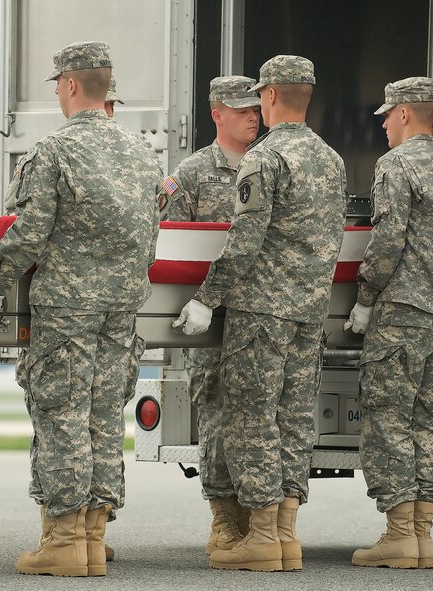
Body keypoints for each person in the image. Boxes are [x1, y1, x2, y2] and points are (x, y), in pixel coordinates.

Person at [0, 41, 161, 578]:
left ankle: (62, 540)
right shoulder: (143, 157)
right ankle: (94, 539)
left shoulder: (55, 151)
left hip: (68, 311)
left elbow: (29, 232)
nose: (56, 92)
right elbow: (149, 243)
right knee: (104, 418)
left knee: (62, 418)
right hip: (121, 310)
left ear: (72, 85)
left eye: (57, 83)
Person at [173, 55, 347, 572]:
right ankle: (287, 535)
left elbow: (244, 242)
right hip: (308, 313)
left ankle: (264, 537)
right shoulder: (332, 159)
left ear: (269, 96)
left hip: (260, 312)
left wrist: (207, 296)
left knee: (252, 420)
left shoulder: (265, 158)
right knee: (293, 421)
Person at [347, 77, 433, 569]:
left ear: (405, 113)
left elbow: (387, 241)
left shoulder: (397, 164)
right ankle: (421, 536)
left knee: (389, 417)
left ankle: (399, 533)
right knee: (430, 421)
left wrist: (364, 298)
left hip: (403, 311)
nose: (382, 123)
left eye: (387, 114)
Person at [160, 75, 261, 555]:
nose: (253, 115)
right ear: (217, 113)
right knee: (219, 416)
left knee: (263, 416)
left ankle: (262, 521)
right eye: (242, 109)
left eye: (256, 108)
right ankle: (225, 518)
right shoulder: (195, 172)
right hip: (212, 319)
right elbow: (172, 245)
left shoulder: (269, 163)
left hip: (263, 312)